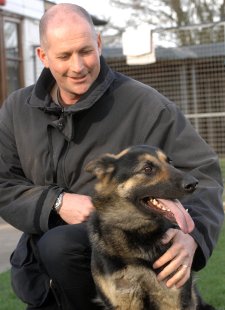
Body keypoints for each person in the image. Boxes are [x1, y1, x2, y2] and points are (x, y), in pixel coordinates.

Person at [0, 3, 223, 310]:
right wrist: (57, 202)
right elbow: (4, 183)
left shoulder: (145, 104)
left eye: (86, 51)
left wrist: (194, 234)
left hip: (132, 258)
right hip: (47, 273)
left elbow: (203, 172)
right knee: (56, 246)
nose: (78, 66)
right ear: (43, 56)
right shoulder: (16, 110)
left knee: (61, 245)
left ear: (100, 43)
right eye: (64, 56)